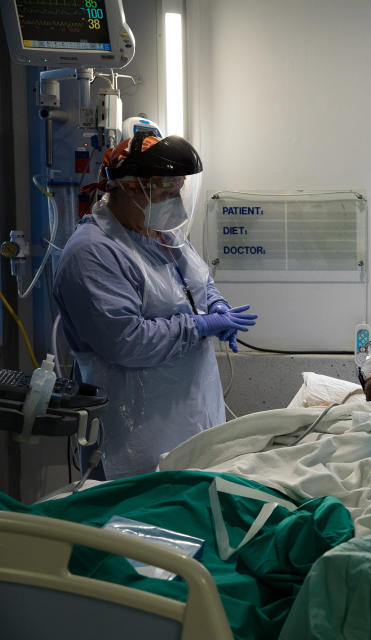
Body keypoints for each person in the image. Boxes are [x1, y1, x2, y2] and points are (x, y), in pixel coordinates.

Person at [53, 132, 257, 479]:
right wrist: (201, 326)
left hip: (190, 413)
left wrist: (216, 305)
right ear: (131, 187)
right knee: (136, 522)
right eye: (166, 193)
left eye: (178, 191)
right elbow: (126, 341)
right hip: (134, 430)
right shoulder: (93, 253)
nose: (175, 203)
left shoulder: (161, 234)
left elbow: (197, 282)